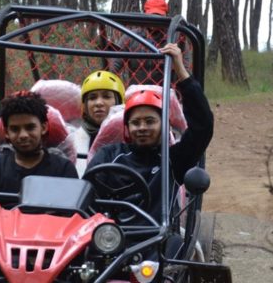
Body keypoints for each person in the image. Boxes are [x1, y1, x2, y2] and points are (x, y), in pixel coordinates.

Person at [87, 42, 213, 227]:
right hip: (110, 239)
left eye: (150, 121)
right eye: (135, 123)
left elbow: (203, 126)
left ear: (164, 125)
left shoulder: (173, 160)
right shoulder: (109, 155)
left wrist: (181, 73)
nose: (142, 127)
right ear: (126, 128)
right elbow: (87, 194)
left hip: (158, 243)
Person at [0, 91, 78, 203]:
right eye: (15, 129)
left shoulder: (63, 169)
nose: (23, 135)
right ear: (6, 132)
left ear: (43, 128)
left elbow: (73, 215)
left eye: (30, 127)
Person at [71, 70, 126, 176]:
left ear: (119, 101)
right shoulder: (72, 139)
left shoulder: (132, 136)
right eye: (92, 98)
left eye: (106, 96)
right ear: (85, 105)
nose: (99, 103)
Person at [112, 0, 170, 85]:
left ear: (166, 16)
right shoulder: (131, 36)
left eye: (159, 16)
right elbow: (115, 65)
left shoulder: (175, 39)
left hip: (166, 92)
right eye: (151, 15)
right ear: (144, 14)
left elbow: (185, 71)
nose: (155, 19)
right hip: (137, 91)